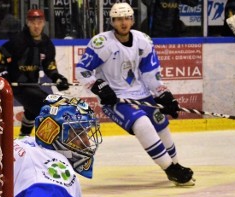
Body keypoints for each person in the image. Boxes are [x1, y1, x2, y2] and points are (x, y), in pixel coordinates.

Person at [75, 2, 195, 186]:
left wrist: (163, 94)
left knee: (161, 125)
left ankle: (177, 165)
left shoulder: (143, 40)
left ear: (132, 20)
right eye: (118, 19)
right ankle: (170, 169)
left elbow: (150, 72)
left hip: (141, 94)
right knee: (142, 123)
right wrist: (97, 86)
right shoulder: (102, 43)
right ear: (112, 21)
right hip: (116, 99)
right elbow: (82, 69)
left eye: (126, 18)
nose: (123, 23)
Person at [0, 8, 70, 137]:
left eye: (39, 22)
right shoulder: (18, 41)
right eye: (33, 22)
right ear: (27, 23)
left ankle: (23, 138)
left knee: (31, 111)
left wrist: (57, 78)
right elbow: (0, 54)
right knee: (46, 105)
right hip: (17, 86)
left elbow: (49, 66)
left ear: (44, 23)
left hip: (32, 84)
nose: (36, 26)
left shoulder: (46, 43)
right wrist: (1, 75)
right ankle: (49, 139)